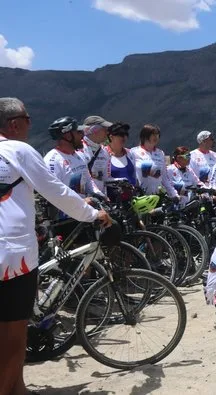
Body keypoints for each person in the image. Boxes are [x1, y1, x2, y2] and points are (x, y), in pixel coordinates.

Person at [0, 97, 112, 395]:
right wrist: (93, 214)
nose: (30, 122)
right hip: (12, 257)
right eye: (27, 117)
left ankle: (19, 387)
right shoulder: (17, 150)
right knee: (12, 334)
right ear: (13, 124)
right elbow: (55, 191)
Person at [43, 117, 104, 208]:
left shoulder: (79, 156)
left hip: (84, 211)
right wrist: (81, 201)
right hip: (65, 217)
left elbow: (88, 180)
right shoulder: (52, 161)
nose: (82, 136)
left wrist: (100, 195)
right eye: (78, 132)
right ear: (68, 136)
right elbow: (52, 193)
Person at [131, 124, 178, 200]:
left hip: (158, 196)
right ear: (145, 135)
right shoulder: (134, 152)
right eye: (153, 134)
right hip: (141, 196)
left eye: (158, 134)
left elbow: (165, 177)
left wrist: (174, 194)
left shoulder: (160, 153)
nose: (156, 137)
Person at [103, 122, 138, 199]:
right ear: (111, 137)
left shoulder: (130, 153)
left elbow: (135, 176)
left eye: (126, 134)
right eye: (121, 135)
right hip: (113, 201)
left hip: (133, 198)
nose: (124, 138)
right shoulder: (103, 154)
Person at [79, 115, 113, 192]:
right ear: (94, 130)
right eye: (104, 129)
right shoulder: (79, 149)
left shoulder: (104, 151)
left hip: (100, 200)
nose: (107, 132)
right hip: (84, 200)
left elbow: (106, 178)